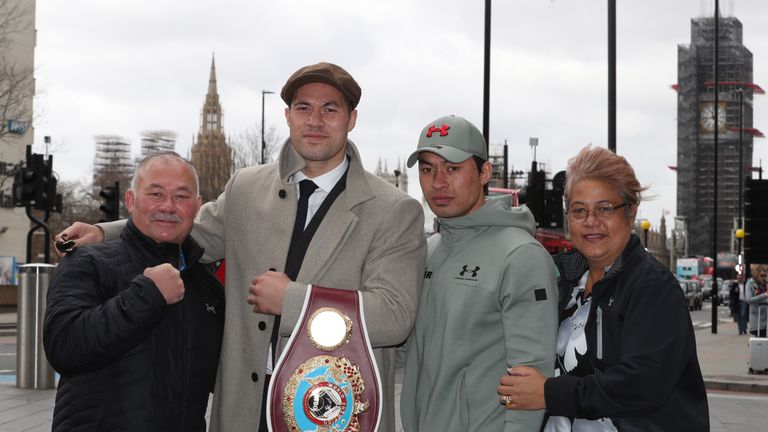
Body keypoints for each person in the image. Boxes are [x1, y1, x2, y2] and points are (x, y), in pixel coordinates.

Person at [54, 62, 426, 432]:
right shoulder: (247, 187)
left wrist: (295, 301)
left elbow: (394, 318)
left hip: (331, 409)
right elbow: (186, 229)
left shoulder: (393, 211)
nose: (315, 120)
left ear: (352, 118)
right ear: (288, 116)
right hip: (245, 407)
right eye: (303, 108)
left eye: (330, 109)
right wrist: (104, 233)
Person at [497, 145, 709, 431]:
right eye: (579, 210)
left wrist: (547, 394)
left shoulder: (653, 288)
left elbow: (640, 384)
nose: (590, 221)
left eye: (605, 208)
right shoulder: (558, 277)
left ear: (631, 211)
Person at [43, 152, 224, 431]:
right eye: (155, 194)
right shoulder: (89, 261)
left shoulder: (205, 286)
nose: (168, 206)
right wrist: (147, 295)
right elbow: (64, 347)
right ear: (130, 200)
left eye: (181, 196)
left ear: (197, 206)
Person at [400, 115, 558, 431]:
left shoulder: (521, 256)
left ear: (485, 173)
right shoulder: (430, 250)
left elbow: (529, 382)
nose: (439, 181)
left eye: (453, 168)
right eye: (428, 169)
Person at [746, 271, 768, 337]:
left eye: (765, 275)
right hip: (757, 317)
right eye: (761, 275)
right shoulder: (751, 283)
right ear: (756, 275)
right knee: (759, 342)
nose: (763, 277)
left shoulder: (766, 284)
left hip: (766, 317)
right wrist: (764, 295)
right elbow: (749, 299)